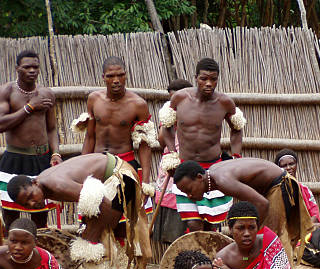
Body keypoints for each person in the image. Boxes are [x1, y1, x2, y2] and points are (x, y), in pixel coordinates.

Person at [6, 153, 151, 269]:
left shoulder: (56, 184)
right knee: (94, 244)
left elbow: (94, 196)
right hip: (114, 179)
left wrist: (104, 225)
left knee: (89, 247)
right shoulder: (44, 182)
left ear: (34, 183)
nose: (32, 203)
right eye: (26, 204)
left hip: (118, 179)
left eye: (31, 196)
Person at [159, 58, 245, 231]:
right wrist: (171, 153)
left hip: (213, 169)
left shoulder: (224, 103)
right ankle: (196, 258)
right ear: (196, 77)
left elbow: (237, 128)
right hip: (185, 167)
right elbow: (166, 126)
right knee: (192, 223)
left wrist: (235, 157)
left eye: (213, 79)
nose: (209, 84)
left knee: (211, 224)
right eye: (204, 79)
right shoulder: (180, 98)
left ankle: (210, 258)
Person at [173, 158, 313, 263]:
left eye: (189, 190)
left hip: (279, 185)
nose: (189, 196)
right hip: (270, 188)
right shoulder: (213, 175)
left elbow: (262, 204)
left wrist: (252, 232)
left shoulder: (222, 180)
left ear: (199, 178)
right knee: (263, 240)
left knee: (270, 239)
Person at [72, 56, 156, 212]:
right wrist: (82, 167)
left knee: (124, 220)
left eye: (120, 75)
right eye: (111, 76)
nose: (116, 80)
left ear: (126, 75)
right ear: (103, 77)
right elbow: (90, 137)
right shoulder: (94, 99)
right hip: (97, 163)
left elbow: (144, 144)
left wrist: (145, 182)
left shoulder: (138, 104)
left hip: (124, 164)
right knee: (93, 215)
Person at [0, 50, 61, 231]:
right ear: (17, 68)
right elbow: (1, 124)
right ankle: (11, 257)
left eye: (35, 67)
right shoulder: (7, 91)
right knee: (10, 217)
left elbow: (51, 128)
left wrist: (55, 152)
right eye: (27, 67)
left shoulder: (46, 94)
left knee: (41, 217)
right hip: (14, 159)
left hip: (41, 159)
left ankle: (41, 256)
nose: (32, 70)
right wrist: (29, 107)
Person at [274, 149, 320, 269]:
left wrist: (306, 226)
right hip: (290, 237)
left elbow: (315, 217)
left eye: (291, 164)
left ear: (296, 165)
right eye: (284, 165)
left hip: (308, 232)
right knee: (305, 250)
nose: (288, 168)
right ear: (278, 168)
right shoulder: (276, 192)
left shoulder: (304, 190)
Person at [151, 79, 192, 244]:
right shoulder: (168, 110)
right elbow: (161, 139)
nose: (174, 102)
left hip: (191, 161)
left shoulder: (195, 110)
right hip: (173, 160)